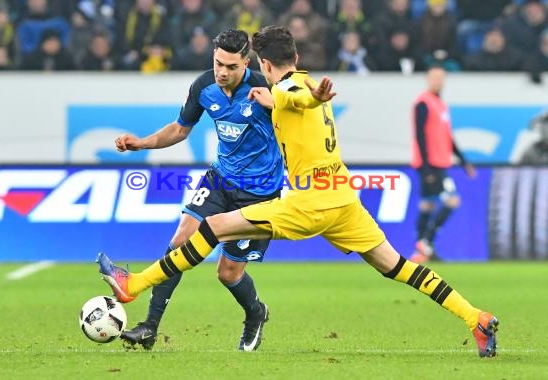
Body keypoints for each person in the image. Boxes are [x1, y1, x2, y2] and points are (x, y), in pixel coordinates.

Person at [98, 25, 499, 358]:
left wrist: (307, 97)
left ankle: (133, 286)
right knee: (397, 267)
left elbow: (297, 98)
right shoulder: (300, 80)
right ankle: (475, 318)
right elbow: (303, 95)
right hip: (343, 196)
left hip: (309, 202)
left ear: (263, 64)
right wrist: (311, 95)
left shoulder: (289, 91)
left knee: (215, 227)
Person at [113, 29, 284, 351]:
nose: (222, 72)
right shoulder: (205, 86)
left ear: (246, 63)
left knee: (228, 273)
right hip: (220, 180)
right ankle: (150, 326)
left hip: (260, 193)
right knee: (180, 241)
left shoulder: (265, 88)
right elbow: (180, 129)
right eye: (218, 63)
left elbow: (299, 123)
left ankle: (255, 313)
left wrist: (280, 106)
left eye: (231, 66)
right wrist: (143, 142)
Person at [410, 64, 476, 264]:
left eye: (441, 78)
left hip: (441, 162)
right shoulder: (423, 103)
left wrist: (464, 161)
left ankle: (423, 250)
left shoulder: (441, 105)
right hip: (431, 164)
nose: (437, 81)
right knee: (452, 201)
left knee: (427, 205)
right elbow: (419, 135)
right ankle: (426, 242)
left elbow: (448, 138)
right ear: (428, 80)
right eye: (434, 78)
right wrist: (426, 166)